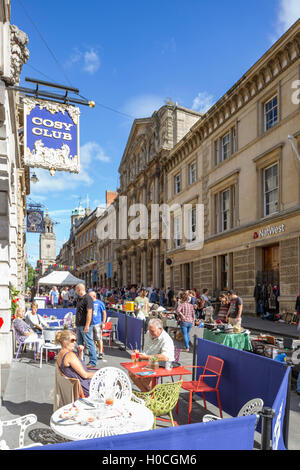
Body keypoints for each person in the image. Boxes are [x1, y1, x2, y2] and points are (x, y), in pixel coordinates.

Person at [128, 318, 175, 392]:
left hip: (162, 365)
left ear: (160, 329)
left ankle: (150, 394)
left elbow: (165, 357)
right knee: (131, 372)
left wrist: (146, 357)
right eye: (149, 330)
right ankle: (146, 393)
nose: (150, 333)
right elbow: (147, 350)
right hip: (147, 362)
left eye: (152, 331)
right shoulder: (148, 333)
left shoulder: (166, 339)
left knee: (143, 376)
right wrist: (140, 354)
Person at [55, 330, 96, 397]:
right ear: (64, 341)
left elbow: (77, 365)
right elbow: (85, 375)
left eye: (75, 340)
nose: (75, 343)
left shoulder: (60, 354)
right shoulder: (70, 355)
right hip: (85, 387)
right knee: (111, 381)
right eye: (72, 340)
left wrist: (80, 352)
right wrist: (101, 373)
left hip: (77, 387)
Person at [75, 283, 98, 369]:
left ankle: (93, 361)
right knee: (79, 344)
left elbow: (89, 312)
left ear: (79, 289)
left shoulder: (88, 298)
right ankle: (81, 360)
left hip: (85, 325)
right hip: (79, 325)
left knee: (89, 343)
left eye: (76, 289)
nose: (76, 291)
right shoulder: (79, 299)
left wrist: (87, 325)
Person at [88, 290, 107, 359]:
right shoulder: (88, 303)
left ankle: (100, 352)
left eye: (89, 296)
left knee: (99, 338)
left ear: (94, 296)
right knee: (92, 339)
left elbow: (104, 313)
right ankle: (95, 351)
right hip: (90, 324)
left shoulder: (100, 303)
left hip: (97, 323)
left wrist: (103, 322)